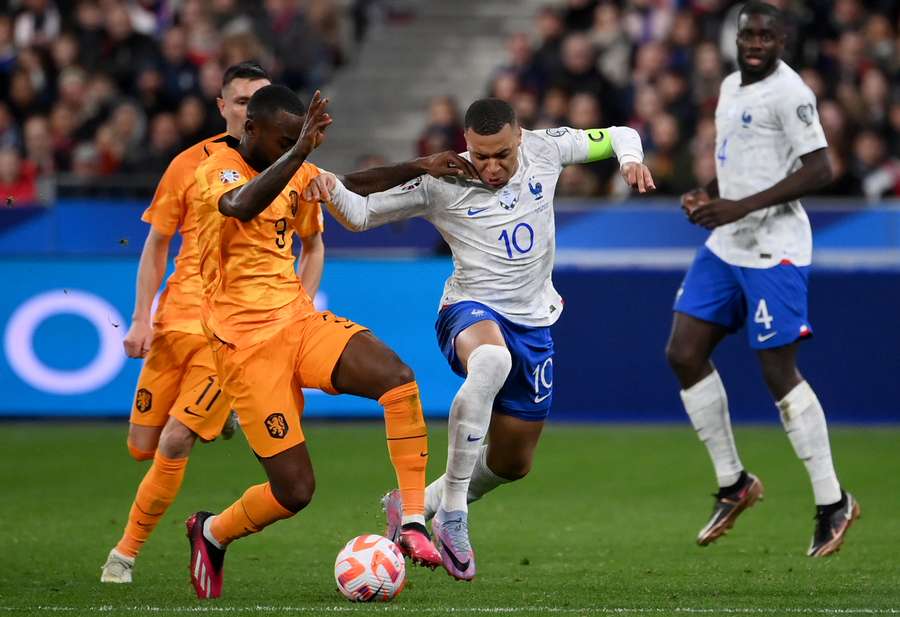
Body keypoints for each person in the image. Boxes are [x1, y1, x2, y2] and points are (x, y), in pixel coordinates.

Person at [306, 97, 653, 580]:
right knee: (491, 361)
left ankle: (416, 504)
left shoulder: (547, 149)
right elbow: (360, 215)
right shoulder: (442, 181)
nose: (490, 167)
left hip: (533, 322)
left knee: (513, 463)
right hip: (469, 310)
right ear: (466, 144)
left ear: (520, 137)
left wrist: (631, 160)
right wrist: (326, 185)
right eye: (479, 155)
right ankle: (452, 513)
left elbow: (620, 134)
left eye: (501, 155)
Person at [186, 85, 475, 599]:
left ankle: (411, 520)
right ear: (250, 130)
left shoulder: (295, 165)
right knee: (295, 492)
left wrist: (421, 164)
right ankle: (211, 531)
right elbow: (240, 207)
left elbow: (351, 185)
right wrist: (298, 153)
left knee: (397, 378)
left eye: (293, 142)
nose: (288, 149)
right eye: (280, 141)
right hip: (245, 351)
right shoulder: (219, 170)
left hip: (298, 324)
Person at [665, 1, 860, 557]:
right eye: (748, 34)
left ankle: (832, 500)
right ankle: (734, 483)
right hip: (727, 244)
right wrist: (709, 192)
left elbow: (822, 168)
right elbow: (739, 160)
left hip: (775, 248)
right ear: (737, 38)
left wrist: (738, 206)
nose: (755, 42)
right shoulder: (731, 86)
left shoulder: (791, 93)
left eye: (766, 35)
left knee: (777, 369)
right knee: (683, 352)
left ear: (782, 42)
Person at [100, 62, 273, 584]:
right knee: (141, 447)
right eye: (240, 101)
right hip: (174, 322)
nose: (249, 110)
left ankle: (124, 555)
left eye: (259, 101)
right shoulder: (188, 164)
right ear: (223, 107)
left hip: (228, 330)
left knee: (176, 441)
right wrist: (140, 318)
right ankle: (224, 414)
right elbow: (156, 241)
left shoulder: (283, 167)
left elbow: (305, 245)